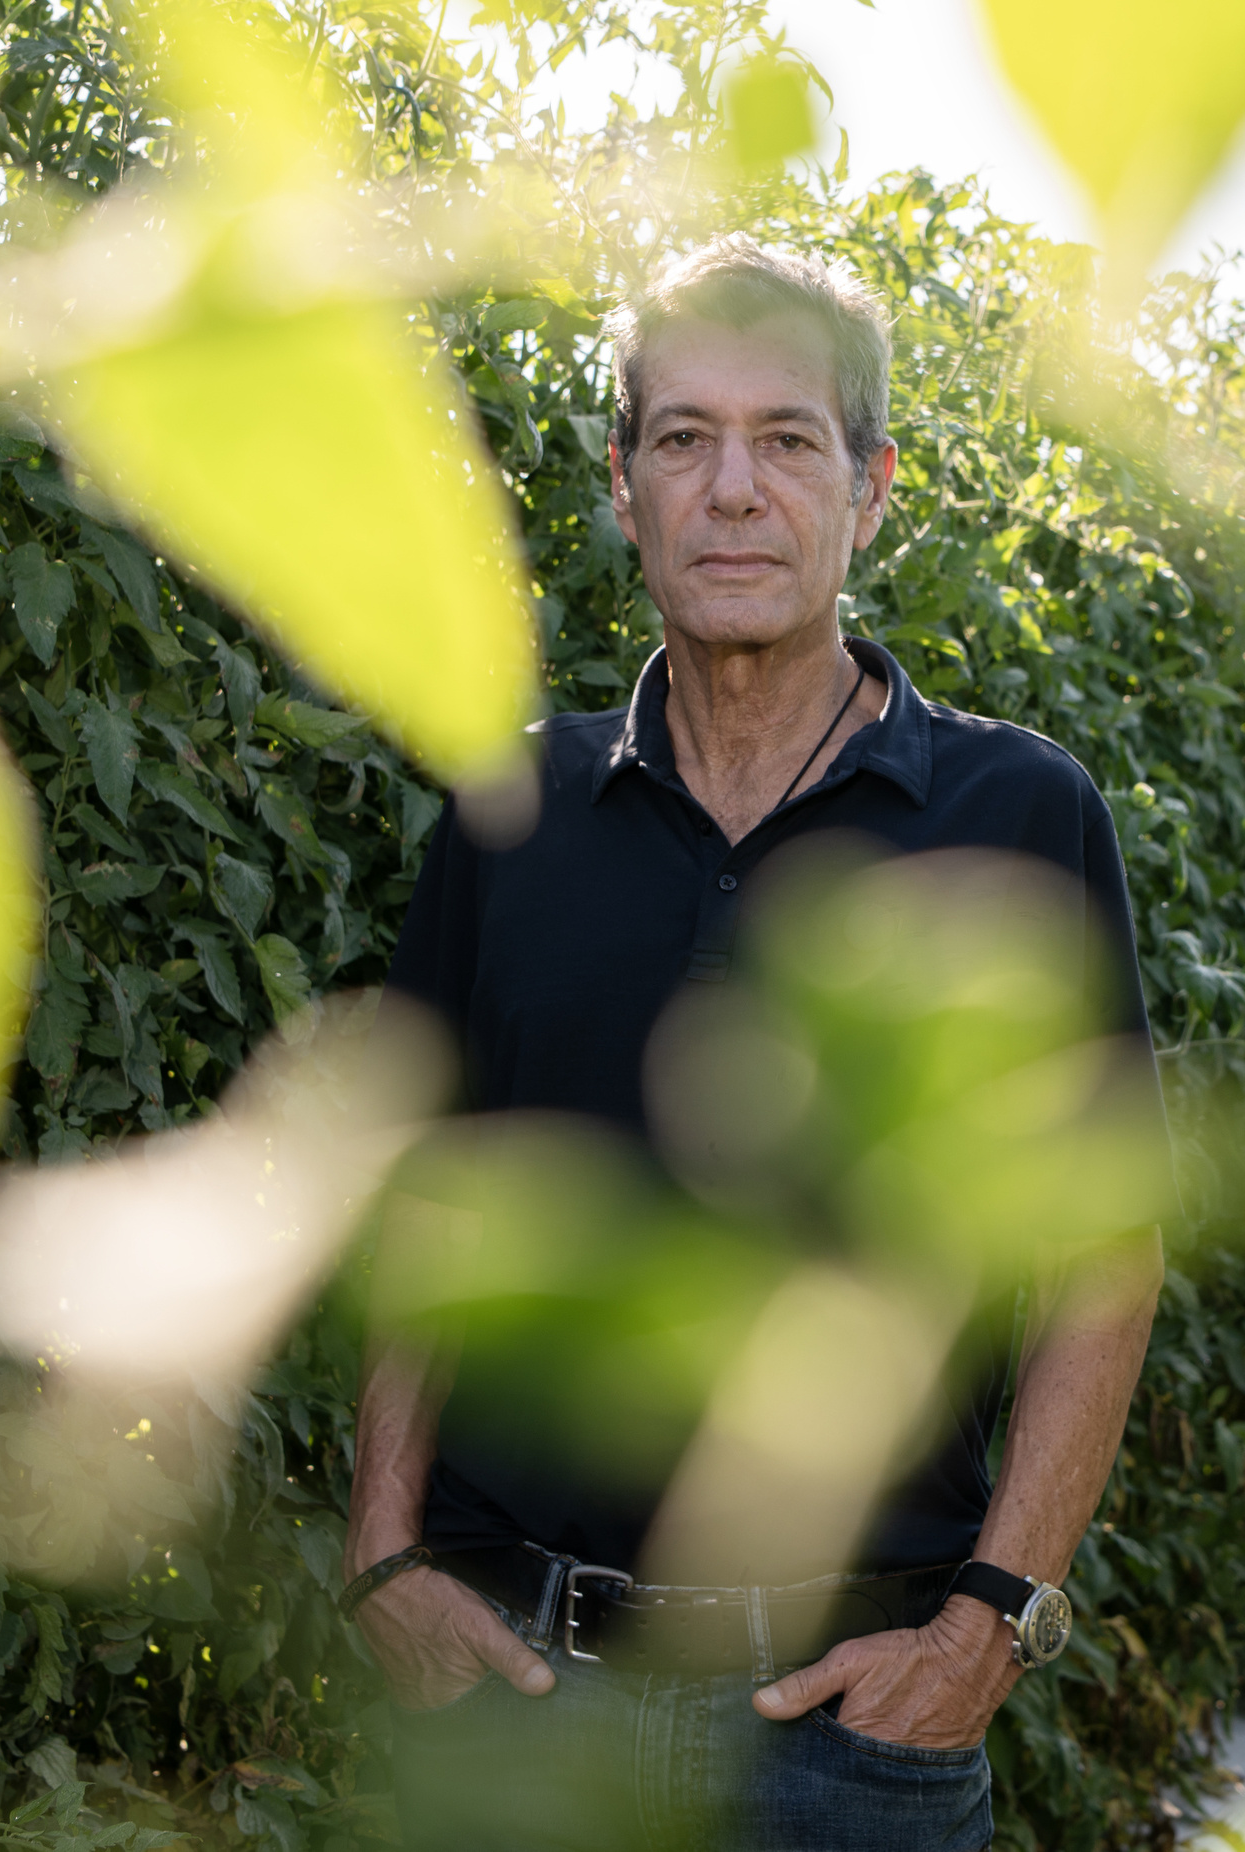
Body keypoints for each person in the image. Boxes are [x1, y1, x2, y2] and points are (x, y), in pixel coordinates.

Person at [345, 235, 1167, 1851]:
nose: (733, 490)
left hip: (852, 1734)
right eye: (684, 439)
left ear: (870, 490)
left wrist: (991, 1625)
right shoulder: (509, 813)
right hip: (513, 1705)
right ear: (623, 484)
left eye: (787, 439)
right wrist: (382, 1553)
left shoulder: (1017, 815)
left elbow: (1100, 1253)